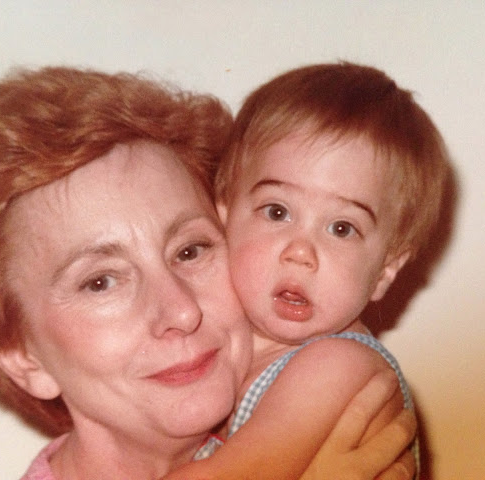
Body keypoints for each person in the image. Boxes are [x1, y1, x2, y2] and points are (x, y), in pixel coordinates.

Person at [0, 66, 417, 479]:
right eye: (101, 281)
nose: (181, 311)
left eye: (190, 251)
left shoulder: (332, 392)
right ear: (22, 355)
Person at [166, 62, 450, 479]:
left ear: (385, 270)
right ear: (223, 219)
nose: (301, 252)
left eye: (342, 228)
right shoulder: (218, 351)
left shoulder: (339, 367)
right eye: (277, 212)